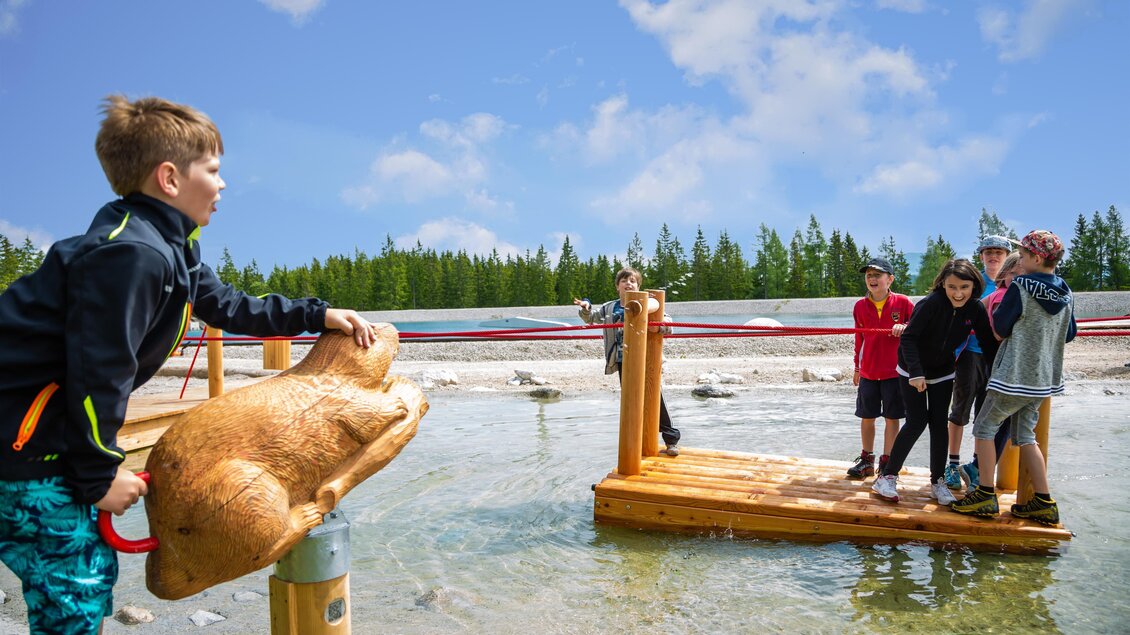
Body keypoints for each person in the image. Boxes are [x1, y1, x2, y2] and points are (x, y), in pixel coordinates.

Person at [0, 95, 382, 634]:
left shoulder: (167, 246)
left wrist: (316, 314)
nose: (223, 184)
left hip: (40, 439)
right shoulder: (130, 255)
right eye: (214, 170)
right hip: (25, 449)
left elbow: (227, 305)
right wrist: (99, 474)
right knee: (75, 589)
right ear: (169, 178)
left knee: (79, 581)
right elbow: (98, 373)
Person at [951, 230, 1076, 525]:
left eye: (1023, 254)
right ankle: (1043, 501)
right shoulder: (1066, 291)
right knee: (1026, 437)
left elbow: (1000, 328)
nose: (1018, 259)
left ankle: (984, 494)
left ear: (1035, 258)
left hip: (1012, 375)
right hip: (1043, 380)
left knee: (984, 428)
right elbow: (1070, 333)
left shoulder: (1021, 286)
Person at [871, 259, 998, 505]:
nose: (958, 294)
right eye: (952, 287)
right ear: (943, 284)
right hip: (911, 369)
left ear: (974, 286)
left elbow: (987, 343)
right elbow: (908, 338)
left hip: (943, 371)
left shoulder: (975, 308)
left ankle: (937, 482)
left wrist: (997, 373)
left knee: (939, 424)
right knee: (916, 421)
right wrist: (916, 373)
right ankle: (887, 477)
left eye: (964, 287)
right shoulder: (931, 303)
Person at [574, 267, 680, 455]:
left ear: (638, 286)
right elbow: (591, 318)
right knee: (631, 401)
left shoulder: (648, 302)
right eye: (624, 281)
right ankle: (638, 443)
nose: (628, 284)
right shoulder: (609, 308)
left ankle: (671, 440)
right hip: (623, 359)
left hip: (647, 358)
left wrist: (660, 327)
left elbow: (668, 322)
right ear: (618, 286)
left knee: (655, 397)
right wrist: (585, 306)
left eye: (632, 281)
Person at [944, 235, 1012, 491]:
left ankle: (977, 466)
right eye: (988, 252)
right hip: (969, 353)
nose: (993, 256)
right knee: (959, 410)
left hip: (998, 357)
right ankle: (952, 465)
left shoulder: (1012, 283)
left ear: (1007, 256)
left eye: (999, 252)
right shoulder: (974, 282)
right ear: (981, 256)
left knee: (987, 414)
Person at [957, 251, 1026, 490]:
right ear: (1006, 273)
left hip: (1004, 366)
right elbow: (997, 330)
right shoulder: (1004, 295)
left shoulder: (1006, 294)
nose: (1019, 279)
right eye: (1014, 274)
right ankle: (981, 477)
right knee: (997, 423)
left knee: (1001, 422)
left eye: (1023, 275)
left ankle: (978, 472)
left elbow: (981, 311)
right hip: (1004, 366)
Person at [846, 257, 912, 478]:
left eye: (877, 275)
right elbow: (859, 339)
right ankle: (867, 460)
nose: (872, 279)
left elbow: (918, 327)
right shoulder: (859, 306)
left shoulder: (903, 302)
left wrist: (905, 326)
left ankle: (887, 462)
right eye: (869, 275)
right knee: (867, 416)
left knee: (892, 417)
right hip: (869, 371)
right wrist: (857, 368)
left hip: (895, 372)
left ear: (890, 279)